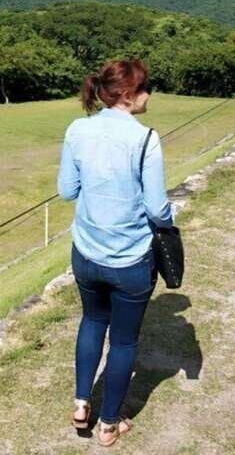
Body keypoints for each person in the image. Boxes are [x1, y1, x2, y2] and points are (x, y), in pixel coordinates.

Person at [57, 58, 174, 447]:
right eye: (146, 89)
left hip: (86, 253)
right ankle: (108, 425)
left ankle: (81, 404)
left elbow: (67, 191)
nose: (149, 96)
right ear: (128, 94)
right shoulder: (145, 139)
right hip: (130, 259)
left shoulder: (77, 129)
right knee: (123, 341)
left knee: (92, 321)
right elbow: (157, 209)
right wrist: (168, 217)